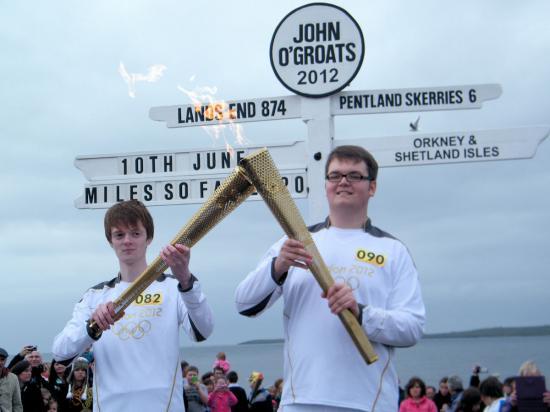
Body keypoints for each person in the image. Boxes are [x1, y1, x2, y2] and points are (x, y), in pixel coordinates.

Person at [235, 145, 426, 412]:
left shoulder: (393, 251)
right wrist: (278, 266)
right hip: (299, 400)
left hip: (367, 402)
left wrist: (361, 313)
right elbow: (244, 304)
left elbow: (412, 328)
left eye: (354, 175)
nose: (343, 182)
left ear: (372, 187)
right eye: (335, 175)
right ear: (326, 184)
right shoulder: (295, 242)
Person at [52, 199, 214, 411]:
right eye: (119, 235)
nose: (127, 240)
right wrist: (92, 327)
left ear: (149, 238)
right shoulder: (96, 296)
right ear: (110, 240)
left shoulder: (173, 287)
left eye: (135, 233)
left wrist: (186, 280)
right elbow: (60, 353)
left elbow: (203, 330)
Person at [0, 347, 23, 412]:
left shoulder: (13, 378)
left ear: (5, 361)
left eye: (2, 359)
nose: (0, 362)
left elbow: (17, 404)